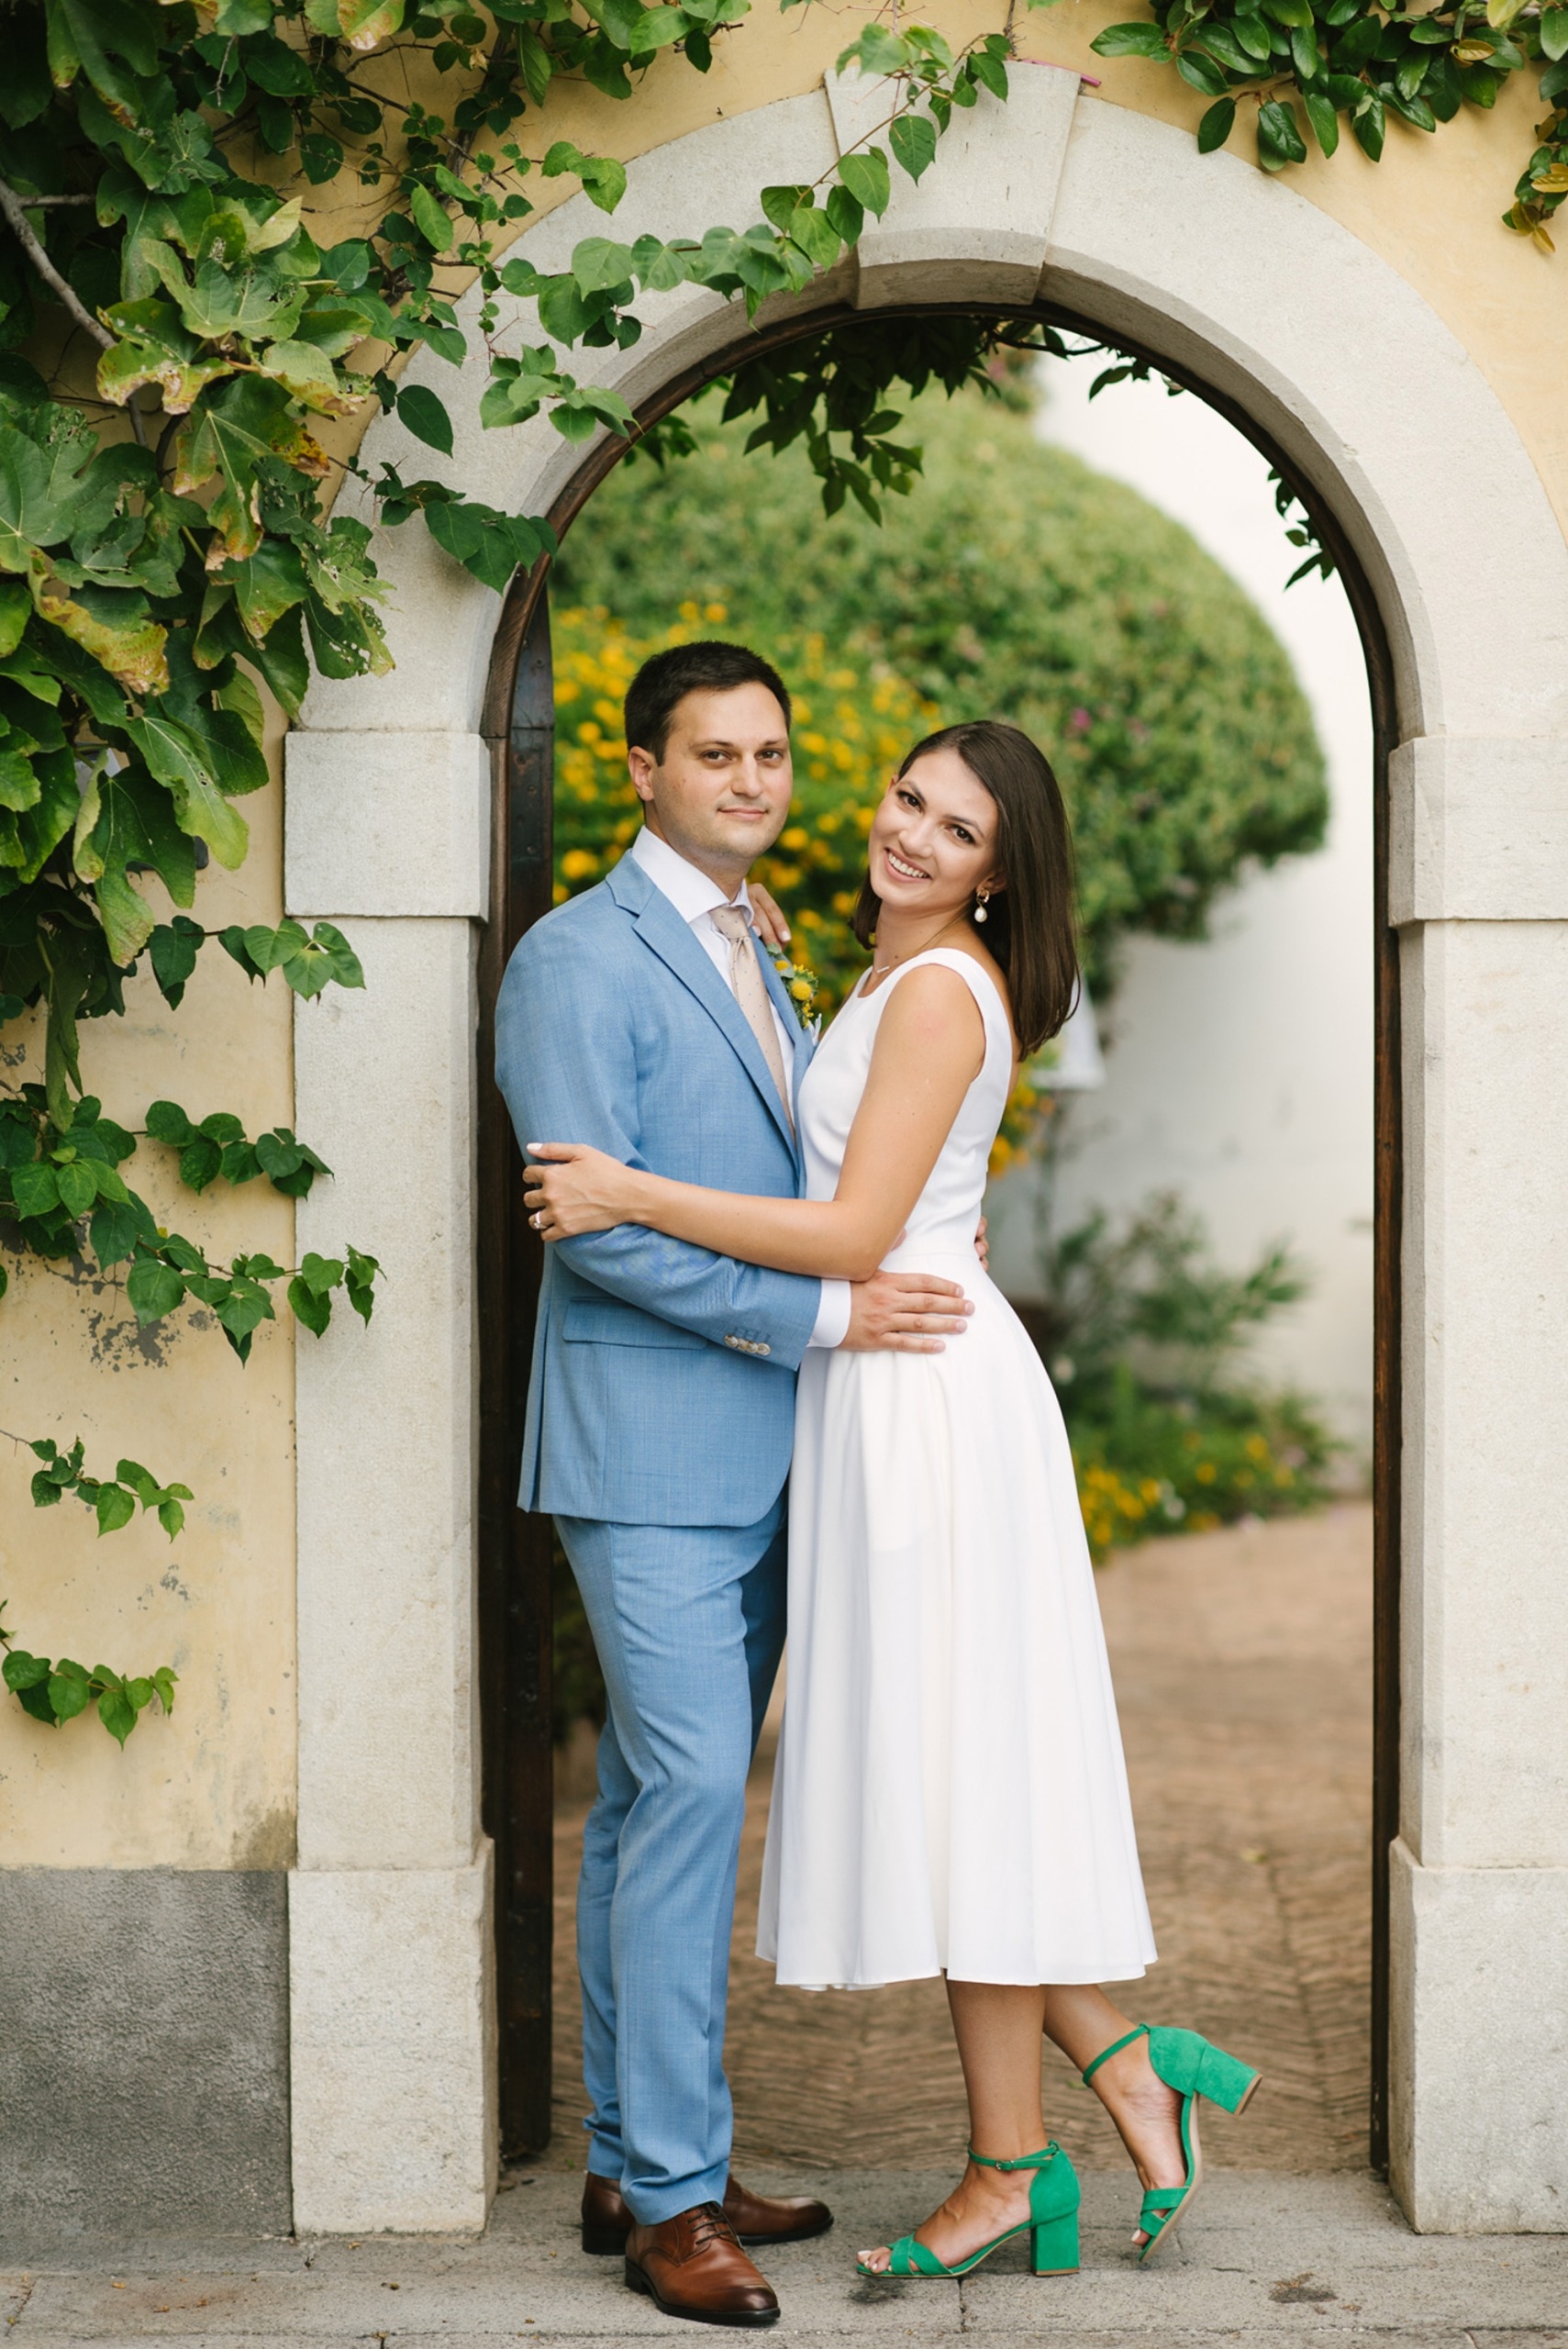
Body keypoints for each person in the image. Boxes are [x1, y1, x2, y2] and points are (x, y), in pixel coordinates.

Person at [525, 718, 1262, 2287]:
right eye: (907, 799)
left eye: (959, 831)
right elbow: (876, 1188)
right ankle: (1118, 2081)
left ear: (1001, 876)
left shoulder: (934, 991)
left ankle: (1030, 2153)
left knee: (956, 1776)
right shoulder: (869, 971)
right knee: (946, 1777)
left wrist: (632, 1188)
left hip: (921, 1396)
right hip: (872, 1384)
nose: (914, 835)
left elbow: (855, 1223)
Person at [494, 641, 984, 2331]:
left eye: (773, 754)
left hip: (775, 1454)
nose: (753, 783)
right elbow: (594, 1226)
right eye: (715, 756)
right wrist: (830, 1309)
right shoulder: (576, 958)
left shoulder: (776, 951)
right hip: (643, 1449)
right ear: (641, 769)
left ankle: (637, 2160)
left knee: (645, 1805)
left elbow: (807, 1169)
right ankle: (676, 2207)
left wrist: (918, 1239)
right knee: (696, 1793)